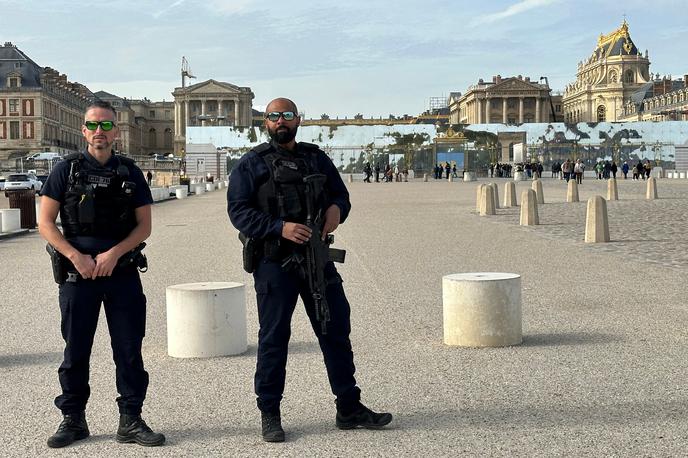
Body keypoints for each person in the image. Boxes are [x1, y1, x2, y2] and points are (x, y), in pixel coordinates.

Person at [227, 98, 392, 443]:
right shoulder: (251, 164)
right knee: (273, 338)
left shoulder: (316, 157)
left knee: (335, 330)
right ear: (266, 123)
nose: (280, 121)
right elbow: (238, 212)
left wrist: (336, 210)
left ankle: (349, 406)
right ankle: (270, 412)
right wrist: (278, 227)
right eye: (274, 116)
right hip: (274, 261)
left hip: (317, 258)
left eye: (287, 115)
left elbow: (340, 194)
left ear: (298, 120)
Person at [38, 100, 164, 448]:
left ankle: (131, 419)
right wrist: (75, 256)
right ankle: (73, 419)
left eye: (107, 126)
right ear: (84, 130)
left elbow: (144, 227)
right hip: (78, 274)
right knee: (75, 350)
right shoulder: (65, 170)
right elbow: (45, 223)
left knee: (128, 349)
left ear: (116, 132)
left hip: (120, 271)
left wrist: (113, 254)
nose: (100, 132)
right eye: (93, 125)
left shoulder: (129, 172)